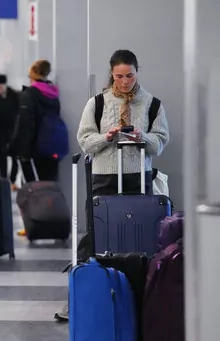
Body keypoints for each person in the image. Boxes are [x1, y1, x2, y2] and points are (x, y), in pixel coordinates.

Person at [54, 49, 170, 321]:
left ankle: (140, 298)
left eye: (129, 75)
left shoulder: (152, 104)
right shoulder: (97, 103)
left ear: (137, 72)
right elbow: (85, 140)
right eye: (119, 76)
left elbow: (160, 141)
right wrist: (106, 137)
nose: (124, 81)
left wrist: (142, 137)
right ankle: (80, 298)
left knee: (138, 238)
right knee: (95, 237)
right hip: (104, 177)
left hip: (137, 176)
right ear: (111, 75)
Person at [0, 74, 20, 190]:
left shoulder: (15, 96)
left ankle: (12, 181)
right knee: (2, 158)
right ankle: (3, 181)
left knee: (14, 157)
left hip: (13, 131)